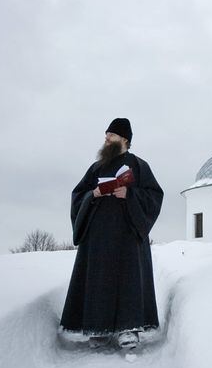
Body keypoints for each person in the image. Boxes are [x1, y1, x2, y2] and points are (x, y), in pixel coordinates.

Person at [59, 118, 164, 349]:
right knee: (99, 280)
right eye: (106, 134)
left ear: (124, 139)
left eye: (111, 135)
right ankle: (99, 327)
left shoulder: (139, 165)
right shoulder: (96, 168)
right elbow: (79, 195)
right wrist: (93, 194)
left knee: (129, 278)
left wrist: (129, 194)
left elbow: (154, 196)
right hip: (98, 238)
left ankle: (128, 329)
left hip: (128, 235)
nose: (106, 138)